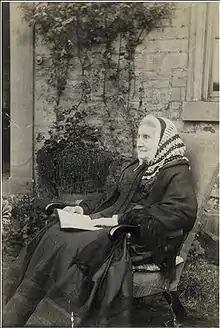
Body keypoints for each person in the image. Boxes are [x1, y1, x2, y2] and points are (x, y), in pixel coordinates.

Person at [3, 115, 198, 327]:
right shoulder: (138, 167)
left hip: (142, 239)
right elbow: (109, 195)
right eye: (139, 136)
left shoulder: (176, 171)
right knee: (56, 232)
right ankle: (28, 309)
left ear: (162, 142)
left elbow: (181, 212)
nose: (140, 142)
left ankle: (60, 316)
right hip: (115, 228)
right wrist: (83, 208)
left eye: (147, 137)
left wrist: (120, 219)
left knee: (77, 244)